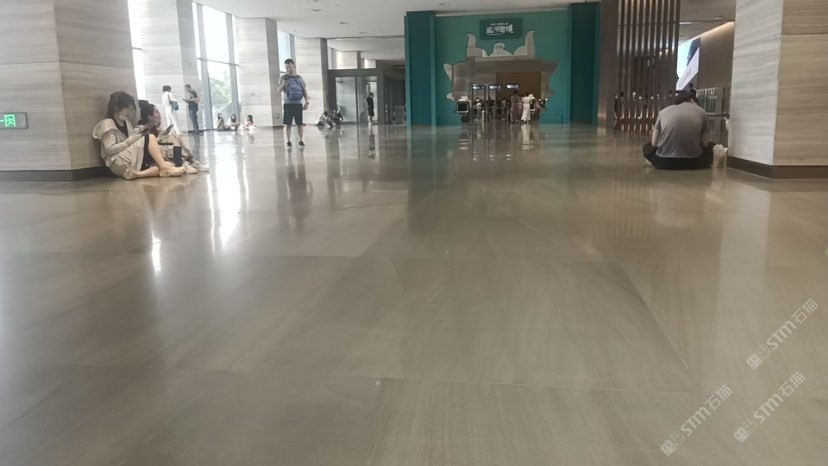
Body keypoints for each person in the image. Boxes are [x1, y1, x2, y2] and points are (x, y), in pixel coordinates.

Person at [92, 92, 185, 179]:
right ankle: (165, 167)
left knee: (162, 164)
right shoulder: (108, 124)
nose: (129, 112)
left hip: (128, 156)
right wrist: (131, 140)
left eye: (130, 109)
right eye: (127, 109)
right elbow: (110, 150)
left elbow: (132, 142)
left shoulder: (127, 123)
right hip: (117, 161)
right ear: (117, 108)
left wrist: (138, 136)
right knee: (150, 138)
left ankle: (138, 174)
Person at [642, 91, 714, 170]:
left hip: (664, 163)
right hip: (694, 163)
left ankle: (652, 161)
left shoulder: (663, 111)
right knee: (712, 146)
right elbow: (705, 144)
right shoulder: (702, 112)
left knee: (647, 147)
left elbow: (654, 143)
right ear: (691, 100)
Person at [137, 100, 209, 173]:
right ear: (150, 116)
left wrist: (159, 130)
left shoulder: (155, 127)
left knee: (175, 137)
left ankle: (191, 161)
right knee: (170, 140)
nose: (159, 114)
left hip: (158, 146)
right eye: (156, 112)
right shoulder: (142, 127)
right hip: (150, 153)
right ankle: (184, 163)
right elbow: (149, 142)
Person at [277, 59, 309, 148]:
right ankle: (288, 141)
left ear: (294, 66)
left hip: (298, 104)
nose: (288, 69)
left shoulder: (299, 78)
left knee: (299, 123)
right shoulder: (283, 78)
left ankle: (301, 140)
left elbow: (304, 91)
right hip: (287, 104)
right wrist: (283, 84)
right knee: (288, 124)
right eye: (286, 67)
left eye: (290, 67)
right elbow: (278, 91)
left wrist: (306, 102)